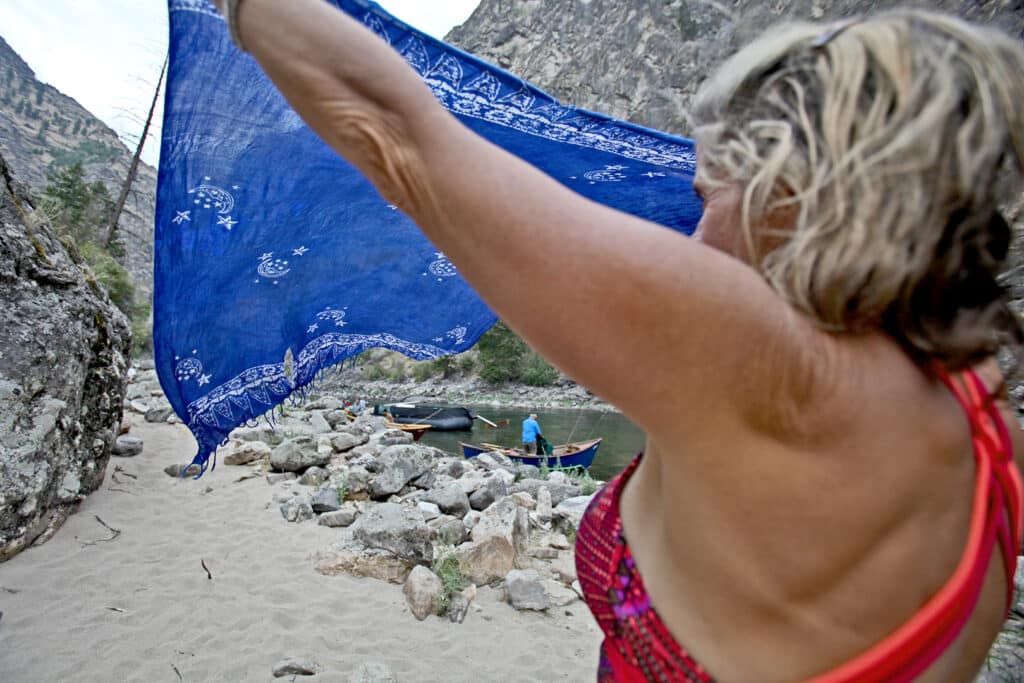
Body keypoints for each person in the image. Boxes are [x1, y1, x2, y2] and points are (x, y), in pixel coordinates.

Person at [210, 3, 1023, 680]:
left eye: (711, 195)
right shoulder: (987, 413)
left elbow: (400, 135)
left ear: (796, 190)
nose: (695, 235)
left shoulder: (769, 369)